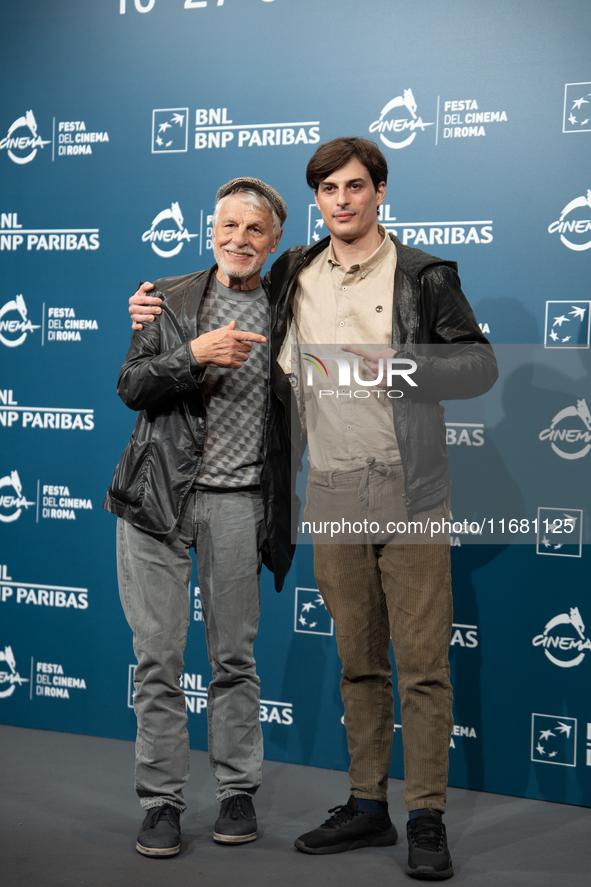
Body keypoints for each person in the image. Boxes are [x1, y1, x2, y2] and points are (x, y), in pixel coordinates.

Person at [129, 138, 498, 880]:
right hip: (329, 489)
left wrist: (393, 364)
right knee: (358, 663)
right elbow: (197, 317)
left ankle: (425, 815)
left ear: (379, 192)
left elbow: (479, 364)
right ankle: (367, 804)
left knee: (421, 666)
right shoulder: (294, 273)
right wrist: (151, 305)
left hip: (410, 490)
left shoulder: (423, 273)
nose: (342, 199)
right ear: (316, 202)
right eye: (328, 189)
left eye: (355, 186)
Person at [104, 178, 294, 858]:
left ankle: (237, 789)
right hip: (155, 501)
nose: (238, 239)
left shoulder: (289, 305)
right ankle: (161, 802)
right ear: (209, 229)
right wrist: (193, 354)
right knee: (156, 656)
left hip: (240, 503)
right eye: (227, 226)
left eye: (254, 230)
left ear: (274, 242)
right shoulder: (168, 295)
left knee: (233, 658)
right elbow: (131, 386)